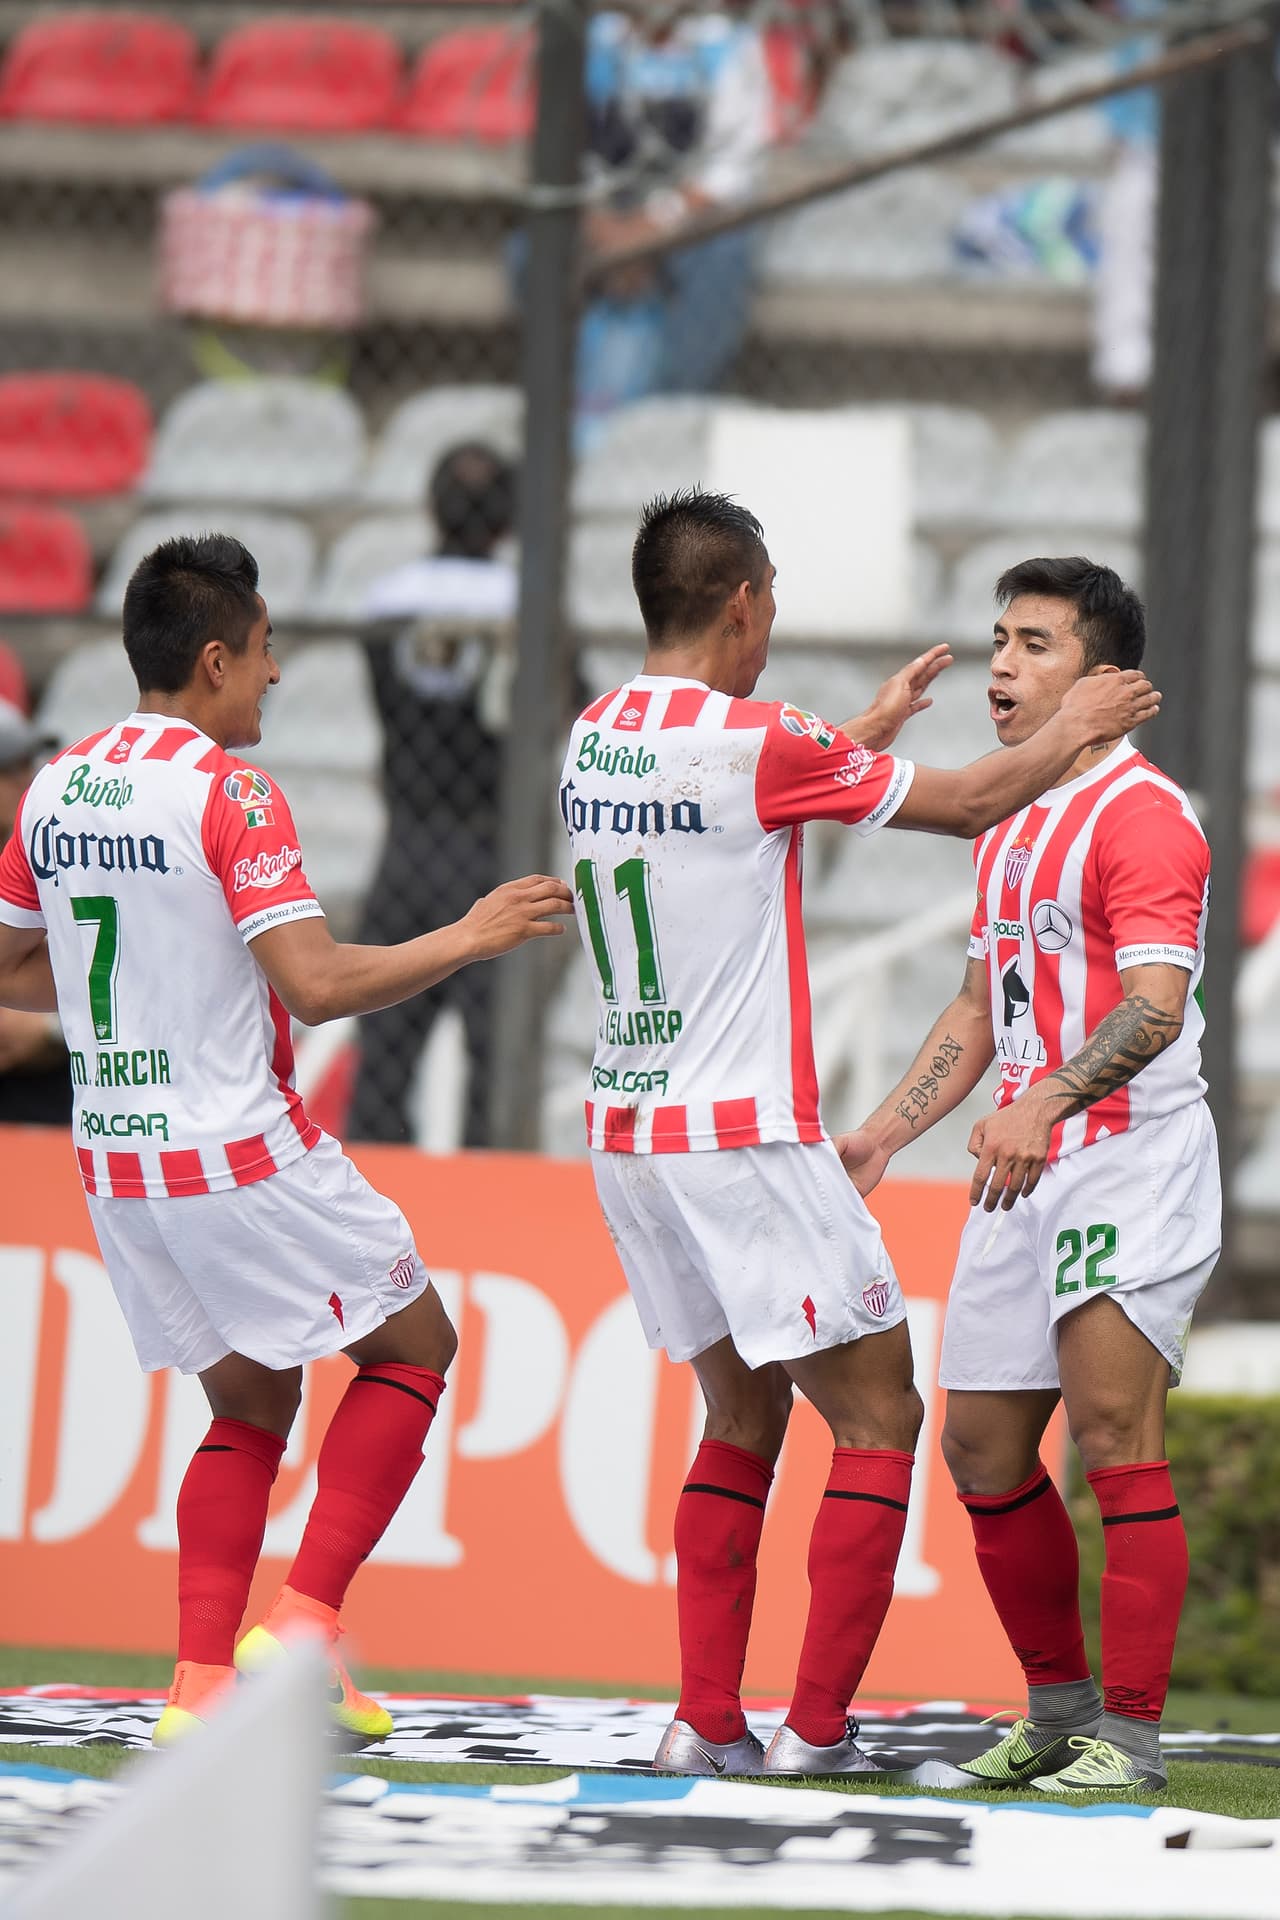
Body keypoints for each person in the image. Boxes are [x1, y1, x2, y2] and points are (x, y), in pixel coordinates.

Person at [558, 491, 1159, 1777]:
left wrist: (864, 729)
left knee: (736, 1420)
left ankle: (701, 1724)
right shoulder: (761, 740)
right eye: (767, 601)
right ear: (742, 603)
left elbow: (726, 791)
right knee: (881, 1413)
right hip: (738, 1132)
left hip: (626, 1131)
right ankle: (816, 1733)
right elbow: (960, 802)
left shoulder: (596, 733)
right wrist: (1079, 725)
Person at [0, 534, 572, 1746]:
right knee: (415, 1349)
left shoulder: (55, 784)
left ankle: (199, 1686)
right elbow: (311, 985)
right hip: (236, 1149)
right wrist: (466, 937)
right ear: (213, 658)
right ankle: (302, 1631)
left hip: (118, 1160)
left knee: (250, 1405)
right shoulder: (232, 790)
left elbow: (6, 967)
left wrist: (126, 1005)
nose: (273, 679)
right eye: (262, 655)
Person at [842, 556, 1215, 1795]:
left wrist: (1046, 1098)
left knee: (1112, 1434)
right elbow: (976, 998)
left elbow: (1154, 1008)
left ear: (1101, 680)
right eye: (997, 639)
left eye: (1035, 644)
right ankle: (1055, 1712)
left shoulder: (1144, 815)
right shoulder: (1004, 814)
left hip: (1125, 1157)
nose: (1000, 665)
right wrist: (890, 1129)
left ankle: (1132, 1734)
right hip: (1022, 1160)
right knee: (983, 1453)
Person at [348, 442, 517, 1147]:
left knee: (386, 1041)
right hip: (491, 838)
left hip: (409, 835)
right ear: (508, 519)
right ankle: (492, 1188)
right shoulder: (524, 603)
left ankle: (379, 1180)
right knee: (497, 1053)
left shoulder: (387, 599)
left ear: (431, 508)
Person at [574, 3, 771, 443]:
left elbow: (733, 170)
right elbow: (561, 154)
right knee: (531, 250)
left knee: (724, 255)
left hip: (690, 226)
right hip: (603, 218)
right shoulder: (590, 42)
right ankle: (563, 407)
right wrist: (604, 227)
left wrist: (653, 228)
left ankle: (675, 409)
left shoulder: (727, 46)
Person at [0, 698, 69, 1126]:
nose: (29, 780)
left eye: (30, 764)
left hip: (59, 1088)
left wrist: (47, 1031)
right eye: (10, 770)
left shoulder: (60, 857)